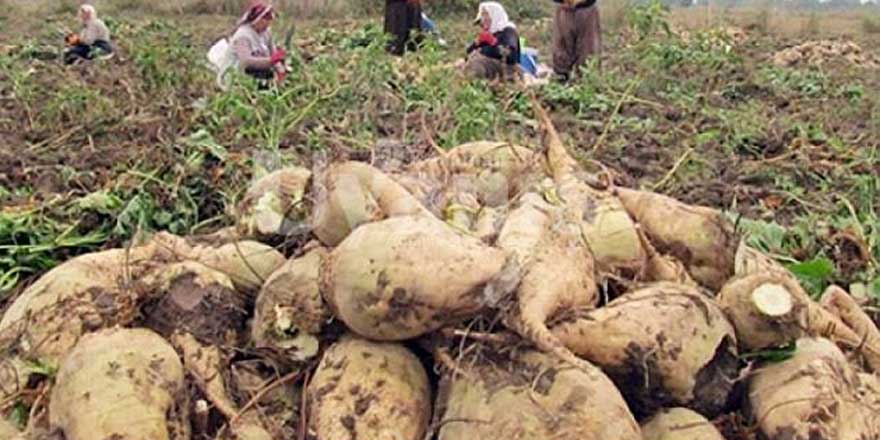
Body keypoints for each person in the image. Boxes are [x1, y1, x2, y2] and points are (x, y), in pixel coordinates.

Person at [229, 2, 286, 85]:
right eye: (265, 21)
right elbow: (246, 62)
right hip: (239, 74)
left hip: (259, 69)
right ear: (257, 20)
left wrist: (280, 68)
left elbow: (273, 52)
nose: (267, 25)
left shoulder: (266, 32)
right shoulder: (243, 36)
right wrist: (270, 61)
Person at [463, 2, 521, 81]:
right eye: (482, 15)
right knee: (461, 64)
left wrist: (493, 43)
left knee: (475, 65)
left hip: (507, 69)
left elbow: (510, 56)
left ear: (495, 14)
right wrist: (476, 43)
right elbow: (468, 52)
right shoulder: (491, 32)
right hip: (490, 65)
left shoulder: (508, 31)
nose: (483, 18)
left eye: (486, 14)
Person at [552, 0, 602, 81]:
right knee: (561, 53)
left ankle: (588, 84)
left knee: (589, 54)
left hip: (587, 9)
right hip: (564, 8)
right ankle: (561, 82)